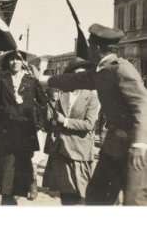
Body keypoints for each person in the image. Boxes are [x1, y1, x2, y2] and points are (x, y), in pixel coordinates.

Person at [47, 23, 147, 205]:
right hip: (114, 144)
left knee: (135, 201)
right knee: (97, 196)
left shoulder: (121, 69)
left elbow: (142, 104)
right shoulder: (103, 70)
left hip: (136, 146)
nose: (88, 50)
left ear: (97, 48)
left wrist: (140, 144)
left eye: (90, 45)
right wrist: (47, 81)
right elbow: (75, 79)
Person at [0, 50, 47, 205]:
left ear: (23, 62)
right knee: (7, 162)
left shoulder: (31, 81)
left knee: (22, 163)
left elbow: (43, 103)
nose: (14, 62)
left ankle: (17, 193)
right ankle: (7, 197)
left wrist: (37, 121)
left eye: (17, 59)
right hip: (6, 128)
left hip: (25, 129)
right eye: (11, 60)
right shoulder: (1, 79)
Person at [43, 58, 100, 205]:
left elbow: (89, 124)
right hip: (61, 151)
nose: (79, 79)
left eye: (82, 75)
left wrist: (65, 121)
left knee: (81, 197)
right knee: (66, 196)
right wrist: (52, 120)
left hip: (79, 153)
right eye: (75, 75)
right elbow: (54, 121)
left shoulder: (92, 97)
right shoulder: (63, 95)